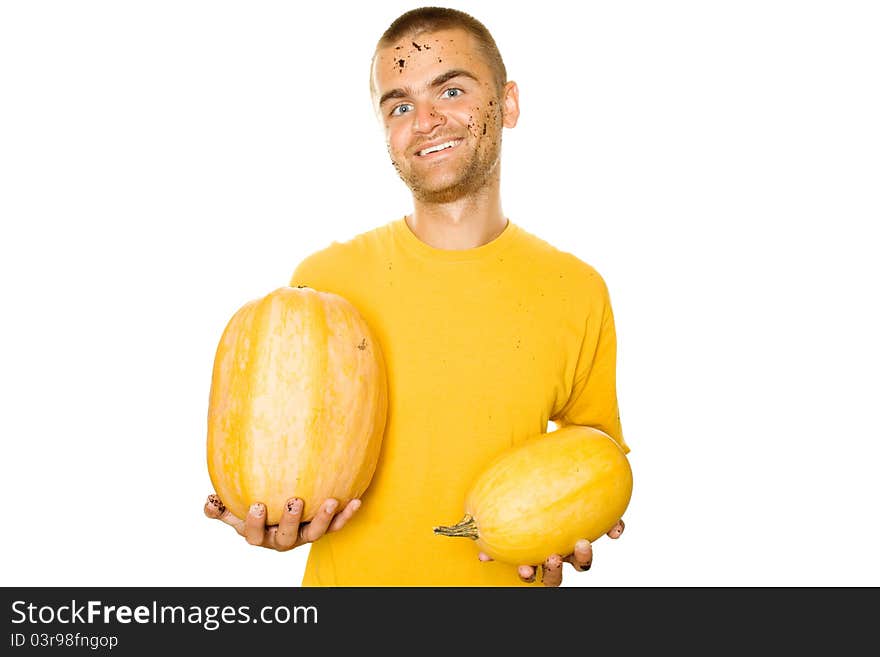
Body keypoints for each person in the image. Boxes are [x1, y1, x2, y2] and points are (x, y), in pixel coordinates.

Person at [204, 6, 630, 587]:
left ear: (507, 104)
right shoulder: (321, 284)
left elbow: (597, 463)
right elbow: (276, 452)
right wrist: (275, 515)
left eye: (450, 89)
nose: (424, 120)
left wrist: (576, 534)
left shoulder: (578, 290)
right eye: (400, 104)